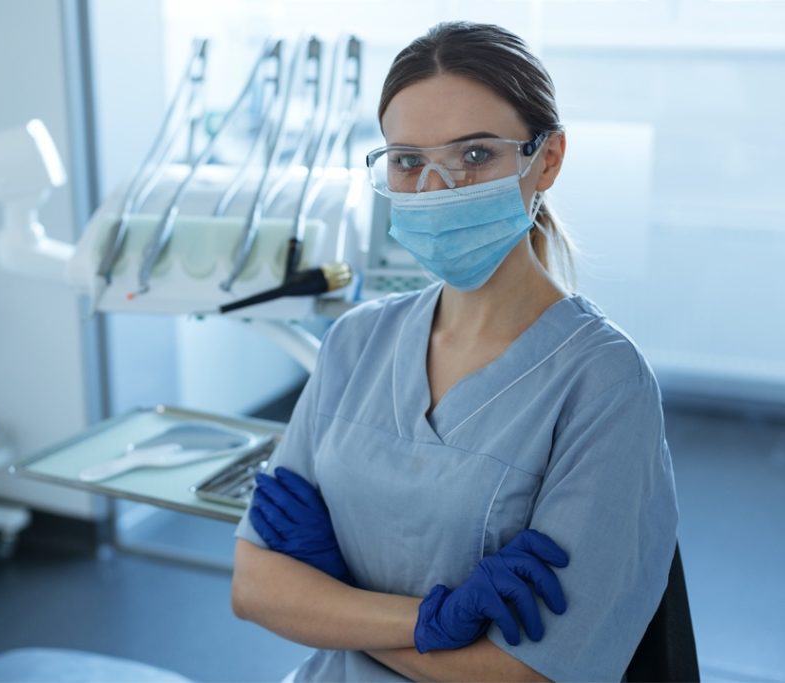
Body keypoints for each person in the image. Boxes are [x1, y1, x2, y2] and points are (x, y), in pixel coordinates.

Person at [231, 21, 678, 683]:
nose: (437, 190)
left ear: (545, 159)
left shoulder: (603, 383)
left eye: (474, 155)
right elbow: (256, 587)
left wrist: (335, 594)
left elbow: (532, 673)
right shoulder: (356, 341)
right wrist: (430, 619)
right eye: (408, 161)